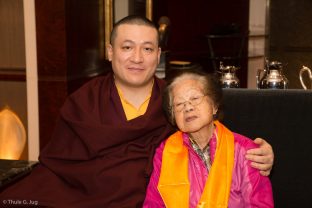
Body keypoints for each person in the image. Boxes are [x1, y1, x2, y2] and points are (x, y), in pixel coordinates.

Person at [0, 15, 273, 207]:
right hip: (81, 195)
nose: (137, 58)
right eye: (127, 47)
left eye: (147, 49)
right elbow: (59, 163)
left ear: (158, 54)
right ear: (110, 51)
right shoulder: (83, 100)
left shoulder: (175, 99)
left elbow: (214, 140)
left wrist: (261, 154)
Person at [143, 69, 274, 207]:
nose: (188, 107)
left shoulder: (245, 150)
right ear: (173, 117)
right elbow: (154, 203)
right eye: (179, 104)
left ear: (214, 106)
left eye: (194, 99)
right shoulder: (165, 152)